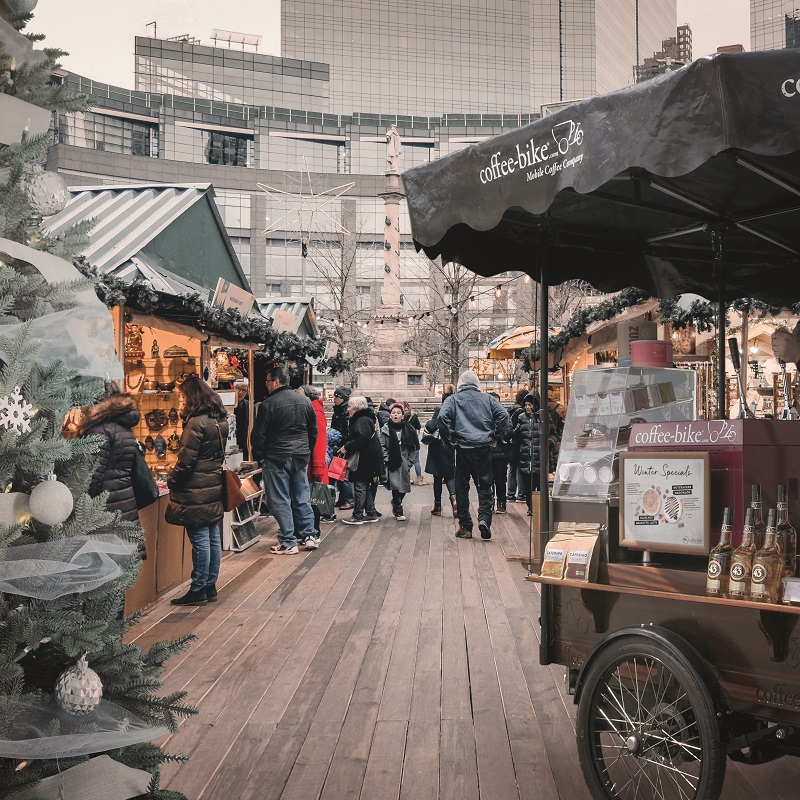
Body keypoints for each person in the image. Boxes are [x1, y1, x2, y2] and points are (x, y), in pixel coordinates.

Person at [61, 385, 146, 560]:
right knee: (120, 563)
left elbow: (91, 474)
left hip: (105, 505)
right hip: (123, 503)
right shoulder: (122, 425)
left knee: (105, 565)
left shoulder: (100, 430)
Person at [166, 376, 228, 605]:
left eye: (183, 396)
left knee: (200, 538)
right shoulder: (219, 420)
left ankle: (199, 587)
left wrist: (172, 480)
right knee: (212, 536)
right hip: (212, 483)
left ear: (192, 397)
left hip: (195, 487)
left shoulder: (196, 423)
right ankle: (210, 584)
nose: (181, 401)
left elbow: (186, 461)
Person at [251, 365, 317, 555]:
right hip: (299, 456)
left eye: (268, 381)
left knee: (280, 499)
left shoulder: (268, 404)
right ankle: (309, 535)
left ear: (277, 381)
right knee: (301, 496)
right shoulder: (305, 401)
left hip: (276, 456)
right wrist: (306, 450)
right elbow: (313, 432)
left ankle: (288, 540)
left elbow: (259, 435)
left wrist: (260, 455)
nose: (266, 385)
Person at [438, 370, 509, 540]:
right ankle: (484, 518)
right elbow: (504, 416)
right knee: (485, 486)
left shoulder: (453, 400)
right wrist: (495, 436)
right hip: (483, 447)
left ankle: (465, 526)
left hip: (463, 448)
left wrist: (449, 437)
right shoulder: (488, 399)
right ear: (477, 384)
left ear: (461, 384)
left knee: (462, 488)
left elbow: (442, 417)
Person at [339, 395, 383, 524]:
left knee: (360, 485)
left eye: (350, 407)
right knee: (365, 485)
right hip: (370, 457)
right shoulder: (367, 418)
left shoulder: (361, 420)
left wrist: (346, 447)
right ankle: (370, 513)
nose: (348, 409)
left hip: (364, 458)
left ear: (356, 408)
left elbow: (361, 439)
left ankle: (358, 515)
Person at [298, 384, 329, 547]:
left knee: (312, 499)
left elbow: (319, 442)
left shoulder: (315, 413)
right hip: (312, 464)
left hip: (313, 465)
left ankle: (313, 531)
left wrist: (317, 467)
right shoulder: (314, 411)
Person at [380, 403, 416, 521]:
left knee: (404, 487)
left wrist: (410, 462)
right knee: (395, 487)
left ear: (402, 415)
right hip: (392, 463)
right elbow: (382, 446)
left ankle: (396, 503)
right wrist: (387, 458)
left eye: (398, 413)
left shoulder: (408, 429)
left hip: (404, 463)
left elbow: (412, 448)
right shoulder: (385, 429)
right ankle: (399, 510)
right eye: (394, 413)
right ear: (390, 415)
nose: (396, 415)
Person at [424, 384, 456, 517]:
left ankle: (437, 506)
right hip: (448, 446)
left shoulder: (439, 411)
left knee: (437, 477)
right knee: (449, 475)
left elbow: (431, 425)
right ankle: (454, 499)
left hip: (436, 446)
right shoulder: (455, 412)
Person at [488, 392, 512, 513]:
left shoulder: (505, 415)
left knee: (500, 479)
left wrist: (497, 437)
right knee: (488, 479)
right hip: (488, 453)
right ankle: (489, 503)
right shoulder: (485, 415)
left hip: (501, 452)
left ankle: (501, 502)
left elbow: (509, 431)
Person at [330, 386, 354, 511]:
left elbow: (345, 430)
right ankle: (343, 498)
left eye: (336, 396)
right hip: (338, 444)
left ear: (342, 398)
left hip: (342, 445)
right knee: (338, 473)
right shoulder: (339, 410)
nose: (334, 398)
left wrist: (342, 443)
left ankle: (349, 500)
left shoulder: (344, 411)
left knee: (343, 474)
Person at [506, 388, 528, 503]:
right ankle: (521, 493)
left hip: (510, 443)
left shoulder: (510, 409)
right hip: (518, 443)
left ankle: (510, 493)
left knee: (512, 468)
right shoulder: (521, 412)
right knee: (519, 468)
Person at [404, 401, 424, 485]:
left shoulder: (401, 415)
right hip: (414, 439)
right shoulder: (413, 415)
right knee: (416, 461)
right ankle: (419, 479)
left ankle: (407, 479)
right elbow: (418, 426)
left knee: (405, 460)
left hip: (405, 439)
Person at [233, 378, 250, 459]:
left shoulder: (249, 406)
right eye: (238, 389)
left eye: (243, 390)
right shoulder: (225, 404)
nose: (240, 392)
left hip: (243, 443)